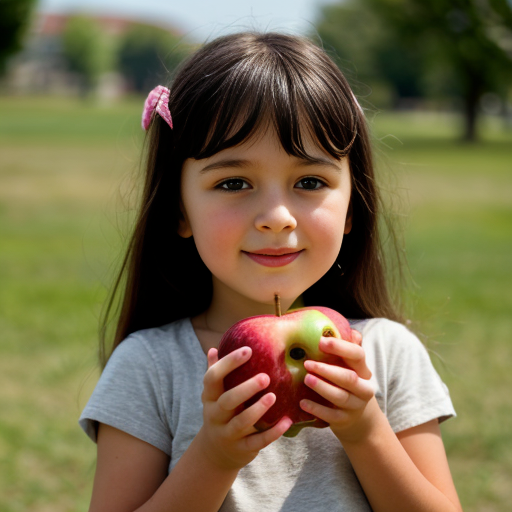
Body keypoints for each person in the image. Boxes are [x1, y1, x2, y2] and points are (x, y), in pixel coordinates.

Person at [80, 32, 462, 512]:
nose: (277, 216)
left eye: (309, 181)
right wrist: (214, 457)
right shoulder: (150, 367)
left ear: (351, 208)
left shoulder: (386, 355)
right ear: (179, 211)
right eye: (234, 182)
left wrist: (366, 430)